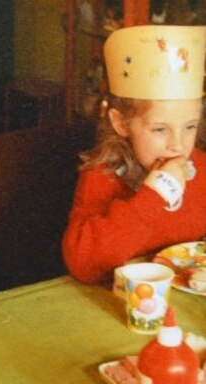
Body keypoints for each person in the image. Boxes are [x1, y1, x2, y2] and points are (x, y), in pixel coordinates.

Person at [63, 25, 206, 284]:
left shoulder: (201, 168)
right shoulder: (102, 175)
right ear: (121, 123)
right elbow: (83, 264)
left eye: (190, 127)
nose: (178, 145)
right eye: (160, 129)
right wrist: (155, 195)